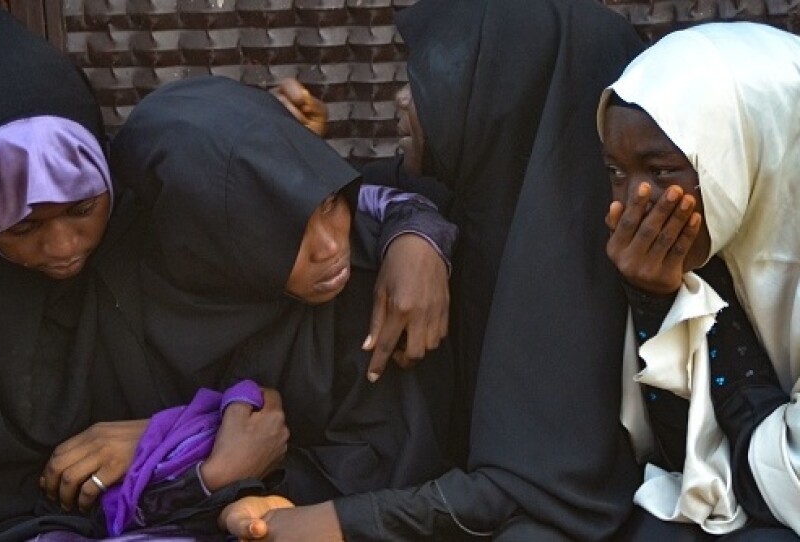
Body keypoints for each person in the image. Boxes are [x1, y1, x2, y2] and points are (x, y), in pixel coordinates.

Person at [222, 0, 646, 540]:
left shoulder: (584, 266)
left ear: (499, 99)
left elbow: (535, 489)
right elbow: (369, 197)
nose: (402, 99)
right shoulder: (461, 195)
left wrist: (338, 523)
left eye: (434, 78)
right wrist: (412, 230)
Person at [0, 9, 293, 541]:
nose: (65, 248)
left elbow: (269, 406)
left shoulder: (150, 243)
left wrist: (156, 436)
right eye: (24, 226)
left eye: (81, 209)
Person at [40, 73, 460, 536]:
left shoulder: (374, 281)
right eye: (284, 234)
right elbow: (83, 494)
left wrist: (175, 443)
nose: (329, 248)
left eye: (326, 203)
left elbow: (394, 480)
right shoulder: (114, 306)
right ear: (201, 244)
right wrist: (206, 459)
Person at [599, 22, 800, 541]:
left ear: (746, 149)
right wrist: (653, 300)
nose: (634, 202)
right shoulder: (713, 232)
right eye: (616, 172)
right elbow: (680, 457)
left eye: (662, 170)